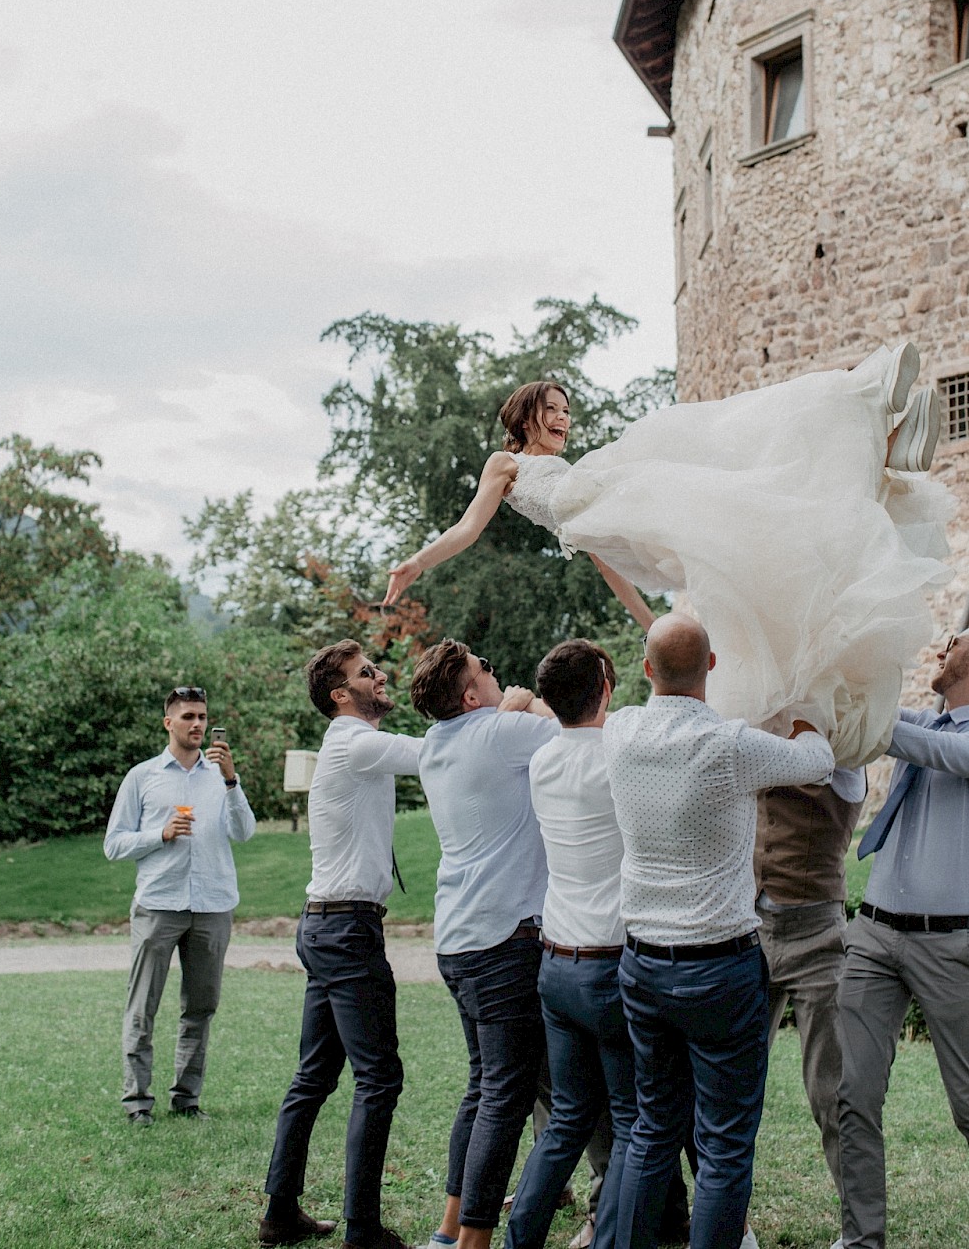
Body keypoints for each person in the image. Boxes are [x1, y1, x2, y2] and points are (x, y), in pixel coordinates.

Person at [384, 345, 951, 766]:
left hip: (621, 505)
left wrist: (658, 623)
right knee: (731, 497)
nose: (562, 419)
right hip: (631, 531)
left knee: (717, 457)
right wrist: (417, 562)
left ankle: (867, 409)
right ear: (524, 414)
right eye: (552, 408)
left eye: (566, 410)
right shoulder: (504, 464)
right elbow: (469, 528)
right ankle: (874, 446)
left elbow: (603, 552)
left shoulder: (577, 476)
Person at [606, 614, 835, 1249]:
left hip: (642, 964)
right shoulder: (730, 745)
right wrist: (805, 712)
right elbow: (817, 761)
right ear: (712, 668)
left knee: (652, 1128)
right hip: (719, 966)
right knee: (726, 1143)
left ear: (646, 669)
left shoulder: (620, 731)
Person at [504, 639, 691, 1249]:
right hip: (611, 968)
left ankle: (520, 1239)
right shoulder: (622, 755)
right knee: (637, 1121)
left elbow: (563, 717)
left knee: (565, 1123)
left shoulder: (542, 761)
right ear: (608, 690)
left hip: (555, 962)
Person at [259, 642, 420, 1249]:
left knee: (314, 1077)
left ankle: (280, 1214)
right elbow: (433, 755)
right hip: (348, 930)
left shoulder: (351, 745)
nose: (380, 677)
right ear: (340, 695)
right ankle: (362, 1230)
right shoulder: (354, 742)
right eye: (366, 673)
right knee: (378, 1079)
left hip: (325, 925)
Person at [410, 638, 558, 1249]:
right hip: (505, 940)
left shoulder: (432, 747)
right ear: (471, 694)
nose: (499, 675)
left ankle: (450, 1232)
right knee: (506, 1094)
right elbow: (580, 729)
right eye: (487, 670)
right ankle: (473, 1242)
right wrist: (529, 704)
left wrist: (510, 712)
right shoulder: (500, 734)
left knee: (483, 1085)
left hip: (458, 938)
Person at [837, 627, 969, 1249]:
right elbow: (880, 721)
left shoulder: (949, 740)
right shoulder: (929, 722)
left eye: (958, 639)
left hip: (952, 948)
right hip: (874, 935)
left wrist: (866, 715)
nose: (945, 641)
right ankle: (864, 1242)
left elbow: (903, 738)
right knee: (853, 1097)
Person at [104, 685, 256, 1123]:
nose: (197, 725)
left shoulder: (220, 777)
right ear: (168, 722)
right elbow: (114, 845)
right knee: (143, 1006)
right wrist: (160, 834)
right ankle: (137, 1103)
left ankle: (186, 1100)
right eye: (188, 716)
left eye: (202, 717)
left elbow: (244, 832)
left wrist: (231, 781)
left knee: (201, 1007)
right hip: (159, 904)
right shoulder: (143, 777)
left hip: (213, 905)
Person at [753, 764, 866, 1197]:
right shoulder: (764, 738)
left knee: (833, 1093)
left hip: (818, 937)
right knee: (731, 1091)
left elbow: (821, 755)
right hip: (751, 932)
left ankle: (858, 1230)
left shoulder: (846, 758)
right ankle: (732, 1225)